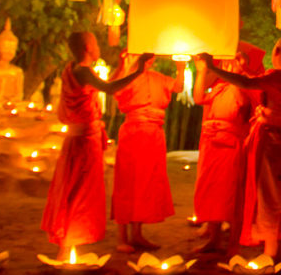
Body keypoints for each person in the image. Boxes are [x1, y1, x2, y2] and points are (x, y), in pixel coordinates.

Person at [40, 32, 150, 259]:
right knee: (78, 190)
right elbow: (110, 89)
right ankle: (68, 242)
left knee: (78, 188)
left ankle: (71, 240)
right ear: (89, 46)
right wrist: (138, 71)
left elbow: (109, 85)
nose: (99, 46)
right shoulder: (82, 71)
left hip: (82, 137)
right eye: (96, 42)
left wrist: (123, 65)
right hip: (83, 140)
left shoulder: (73, 69)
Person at [201, 36, 281, 260]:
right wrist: (246, 69)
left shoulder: (274, 76)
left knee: (268, 194)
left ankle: (270, 251)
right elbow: (273, 91)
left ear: (275, 51)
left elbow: (250, 85)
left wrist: (213, 68)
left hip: (269, 140)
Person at [191, 44, 260, 254]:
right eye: (227, 62)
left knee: (232, 195)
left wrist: (241, 70)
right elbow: (199, 98)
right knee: (212, 193)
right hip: (213, 145)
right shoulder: (221, 88)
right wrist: (202, 71)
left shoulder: (245, 87)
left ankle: (232, 243)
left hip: (231, 147)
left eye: (234, 62)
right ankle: (214, 238)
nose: (229, 65)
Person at [111, 53, 182, 253]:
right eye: (144, 57)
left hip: (153, 133)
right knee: (127, 182)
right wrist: (124, 64)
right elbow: (113, 89)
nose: (147, 61)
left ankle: (137, 233)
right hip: (133, 132)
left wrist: (182, 66)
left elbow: (178, 87)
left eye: (150, 58)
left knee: (145, 183)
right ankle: (122, 236)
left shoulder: (157, 77)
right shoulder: (127, 75)